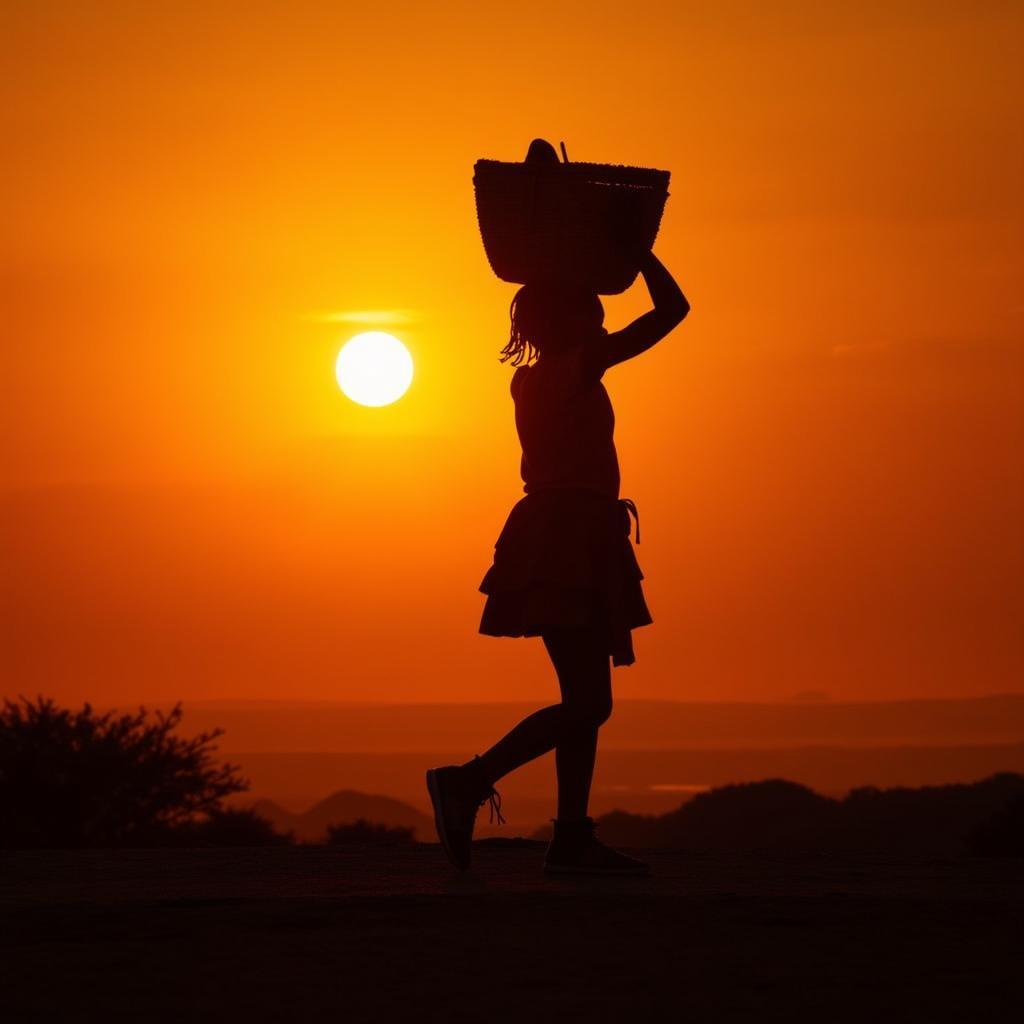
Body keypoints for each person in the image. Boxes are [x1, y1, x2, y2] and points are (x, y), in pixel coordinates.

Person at [426, 249, 689, 874]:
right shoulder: (578, 365)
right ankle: (468, 780)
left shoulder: (530, 377)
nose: (602, 326)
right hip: (570, 535)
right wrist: (638, 253)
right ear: (568, 325)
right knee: (590, 702)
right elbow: (672, 311)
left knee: (584, 697)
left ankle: (571, 837)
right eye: (592, 315)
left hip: (567, 531)